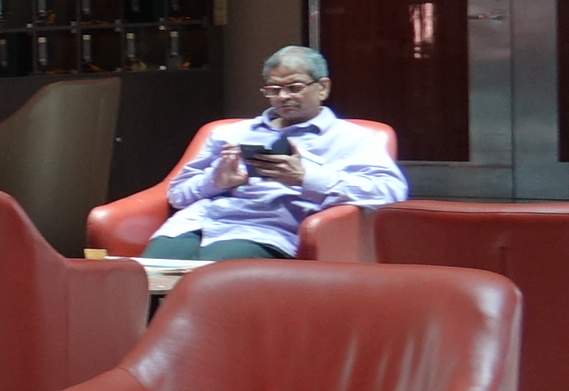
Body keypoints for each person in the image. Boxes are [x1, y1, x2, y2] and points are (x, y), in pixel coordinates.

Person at [146, 45, 406, 258]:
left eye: (294, 87)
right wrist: (215, 182)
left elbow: (389, 192)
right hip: (194, 224)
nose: (282, 97)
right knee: (145, 277)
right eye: (273, 90)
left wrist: (307, 177)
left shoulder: (352, 138)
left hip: (263, 231)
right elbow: (177, 195)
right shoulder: (231, 133)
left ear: (323, 87)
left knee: (210, 278)